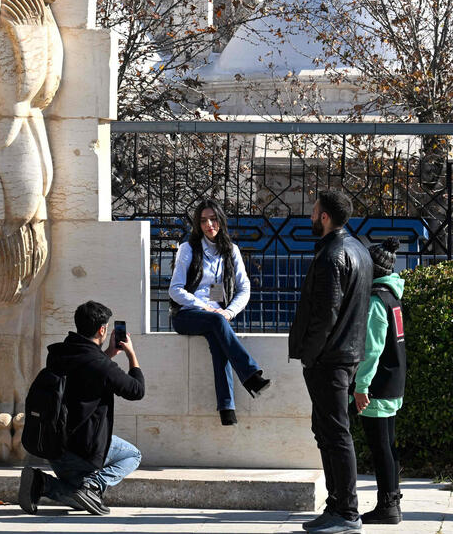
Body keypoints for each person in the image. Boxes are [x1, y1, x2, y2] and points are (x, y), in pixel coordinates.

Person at [290, 190, 373, 534]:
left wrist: (310, 356)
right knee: (326, 430)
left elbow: (326, 314)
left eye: (313, 212)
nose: (310, 217)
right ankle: (336, 504)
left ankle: (346, 511)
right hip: (346, 355)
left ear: (324, 217)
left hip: (330, 359)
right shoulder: (360, 251)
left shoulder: (331, 256)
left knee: (335, 433)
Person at [18, 300, 145, 516]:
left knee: (82, 501)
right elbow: (136, 390)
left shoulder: (59, 353)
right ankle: (91, 485)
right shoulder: (101, 366)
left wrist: (108, 353)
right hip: (83, 452)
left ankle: (41, 483)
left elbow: (84, 372)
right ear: (102, 329)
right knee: (132, 455)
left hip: (53, 445)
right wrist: (132, 354)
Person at [169, 199, 270, 426]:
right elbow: (175, 290)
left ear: (221, 221)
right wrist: (204, 307)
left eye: (213, 219)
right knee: (216, 321)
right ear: (198, 224)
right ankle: (251, 375)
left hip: (217, 318)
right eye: (204, 220)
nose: (209, 225)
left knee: (219, 342)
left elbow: (244, 288)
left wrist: (230, 312)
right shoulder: (188, 249)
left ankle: (227, 408)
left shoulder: (230, 251)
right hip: (187, 315)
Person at [352, 237, 406, 525]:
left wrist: (361, 387)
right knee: (389, 445)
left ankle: (387, 506)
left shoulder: (375, 301)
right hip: (394, 382)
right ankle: (393, 501)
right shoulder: (393, 296)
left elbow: (372, 350)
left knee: (380, 447)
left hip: (378, 387)